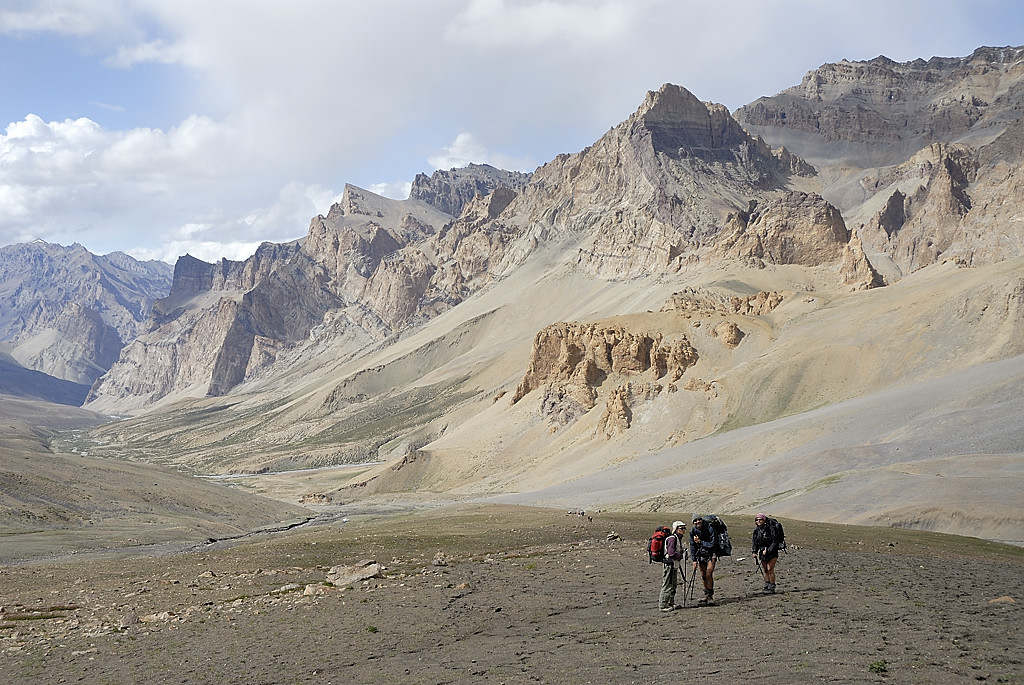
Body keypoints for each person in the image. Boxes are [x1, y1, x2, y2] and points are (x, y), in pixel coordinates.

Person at [659, 521, 688, 612]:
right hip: (670, 564)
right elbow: (671, 553)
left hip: (674, 564)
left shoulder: (677, 538)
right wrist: (681, 556)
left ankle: (670, 603)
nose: (683, 530)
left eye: (684, 528)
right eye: (681, 528)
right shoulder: (672, 538)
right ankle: (663, 605)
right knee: (668, 584)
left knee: (673, 584)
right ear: (676, 529)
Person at [689, 514, 717, 606]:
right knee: (703, 575)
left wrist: (701, 542)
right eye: (695, 520)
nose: (697, 522)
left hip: (711, 554)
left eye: (699, 519)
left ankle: (710, 596)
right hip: (700, 555)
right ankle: (706, 594)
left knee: (709, 574)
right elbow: (692, 546)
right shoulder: (693, 531)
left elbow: (712, 544)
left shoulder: (710, 528)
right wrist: (694, 560)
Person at [752, 513, 780, 593]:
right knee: (765, 570)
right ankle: (767, 585)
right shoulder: (756, 531)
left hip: (772, 552)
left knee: (770, 568)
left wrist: (768, 550)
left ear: (764, 520)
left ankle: (772, 586)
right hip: (762, 552)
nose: (758, 521)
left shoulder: (771, 529)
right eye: (756, 520)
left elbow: (775, 541)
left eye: (760, 519)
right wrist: (754, 551)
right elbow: (755, 542)